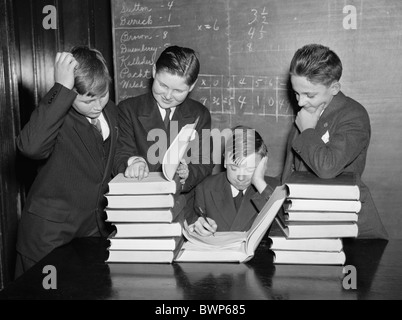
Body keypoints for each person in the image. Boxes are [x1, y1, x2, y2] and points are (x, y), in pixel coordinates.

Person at [15, 46, 118, 277]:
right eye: (88, 100)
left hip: (93, 235)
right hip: (48, 239)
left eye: (103, 95)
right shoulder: (56, 113)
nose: (98, 105)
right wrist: (61, 88)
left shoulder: (111, 112)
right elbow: (30, 147)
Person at [281, 43, 388, 239]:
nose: (300, 102)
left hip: (347, 227)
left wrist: (308, 131)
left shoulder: (354, 115)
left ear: (334, 88)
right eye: (296, 93)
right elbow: (291, 169)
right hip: (305, 219)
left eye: (309, 95)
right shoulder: (308, 112)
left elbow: (327, 167)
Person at [114, 45, 214, 216]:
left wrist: (187, 173)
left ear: (191, 86)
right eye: (162, 85)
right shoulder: (128, 110)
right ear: (154, 72)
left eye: (178, 90)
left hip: (183, 208)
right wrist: (133, 162)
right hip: (139, 205)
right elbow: (120, 153)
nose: (168, 95)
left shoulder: (199, 114)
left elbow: (204, 161)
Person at [189, 125, 280, 235]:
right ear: (225, 161)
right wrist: (197, 226)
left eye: (250, 168)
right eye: (234, 167)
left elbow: (283, 228)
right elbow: (194, 221)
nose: (241, 177)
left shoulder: (273, 189)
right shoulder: (205, 188)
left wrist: (260, 183)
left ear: (263, 163)